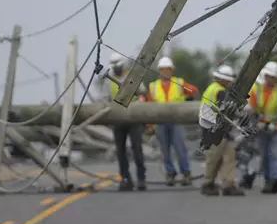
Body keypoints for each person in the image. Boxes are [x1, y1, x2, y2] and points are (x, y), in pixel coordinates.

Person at [146, 56, 198, 186]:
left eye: (167, 69)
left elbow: (193, 90)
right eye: (162, 69)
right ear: (159, 71)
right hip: (161, 122)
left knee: (180, 147)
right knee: (165, 150)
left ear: (171, 70)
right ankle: (170, 173)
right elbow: (149, 106)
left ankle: (186, 173)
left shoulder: (178, 83)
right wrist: (149, 125)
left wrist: (188, 97)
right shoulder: (153, 86)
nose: (165, 72)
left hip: (176, 120)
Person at [198, 65, 244, 196]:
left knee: (228, 156)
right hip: (214, 129)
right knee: (214, 158)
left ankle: (228, 184)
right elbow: (228, 110)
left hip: (216, 128)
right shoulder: (220, 92)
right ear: (222, 80)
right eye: (228, 80)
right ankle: (209, 183)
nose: (229, 82)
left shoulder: (211, 89)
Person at [103, 53, 147, 192]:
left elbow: (142, 92)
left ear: (122, 65)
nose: (116, 68)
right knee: (121, 151)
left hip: (133, 118)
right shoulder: (108, 82)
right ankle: (125, 178)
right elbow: (105, 100)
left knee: (137, 150)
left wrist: (140, 101)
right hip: (118, 120)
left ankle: (141, 179)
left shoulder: (132, 77)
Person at [249, 61, 277, 194]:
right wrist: (258, 123)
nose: (272, 79)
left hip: (276, 129)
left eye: (275, 77)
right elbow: (252, 110)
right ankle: (268, 181)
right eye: (270, 76)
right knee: (265, 155)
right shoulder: (256, 90)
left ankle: (275, 179)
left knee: (275, 154)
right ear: (265, 76)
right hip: (261, 128)